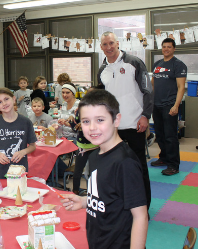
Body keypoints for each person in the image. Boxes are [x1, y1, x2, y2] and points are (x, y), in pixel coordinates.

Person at [60, 89, 148, 249]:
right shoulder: (95, 155)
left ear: (116, 120)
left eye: (100, 120)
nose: (92, 127)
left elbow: (140, 216)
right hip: (98, 241)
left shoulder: (124, 163)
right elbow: (107, 197)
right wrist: (85, 201)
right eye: (86, 121)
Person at [97, 31, 153, 209]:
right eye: (105, 44)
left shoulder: (134, 63)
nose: (109, 47)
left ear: (118, 43)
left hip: (135, 123)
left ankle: (144, 208)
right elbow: (101, 98)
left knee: (138, 167)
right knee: (114, 167)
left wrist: (145, 116)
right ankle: (120, 205)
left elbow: (148, 91)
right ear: (101, 47)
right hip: (113, 127)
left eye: (111, 43)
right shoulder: (102, 70)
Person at [150, 38, 187, 176]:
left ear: (174, 48)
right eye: (164, 47)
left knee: (170, 136)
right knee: (160, 134)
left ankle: (173, 165)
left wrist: (176, 105)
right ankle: (164, 158)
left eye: (169, 47)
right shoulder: (157, 64)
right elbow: (153, 84)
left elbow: (181, 87)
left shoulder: (178, 65)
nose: (166, 49)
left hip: (170, 105)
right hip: (156, 104)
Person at [0, 88, 36, 179]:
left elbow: (33, 146)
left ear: (13, 99)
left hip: (18, 170)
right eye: (0, 102)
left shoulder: (25, 122)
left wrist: (23, 152)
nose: (4, 104)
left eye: (6, 99)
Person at [70, 85, 104, 195]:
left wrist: (87, 123)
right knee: (77, 171)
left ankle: (93, 194)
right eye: (88, 93)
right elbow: (75, 128)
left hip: (95, 145)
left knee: (93, 172)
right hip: (82, 146)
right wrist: (72, 122)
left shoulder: (101, 109)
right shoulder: (80, 108)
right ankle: (75, 192)